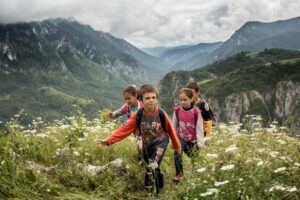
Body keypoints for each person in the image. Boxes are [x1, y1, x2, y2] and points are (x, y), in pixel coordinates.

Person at [97, 85, 181, 193]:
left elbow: (170, 130)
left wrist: (177, 145)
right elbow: (124, 129)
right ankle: (159, 180)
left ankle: (152, 192)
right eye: (147, 98)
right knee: (149, 165)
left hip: (161, 142)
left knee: (153, 166)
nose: (151, 100)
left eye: (153, 97)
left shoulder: (161, 114)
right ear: (141, 100)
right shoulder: (138, 115)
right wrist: (108, 140)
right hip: (146, 144)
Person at [172, 88, 204, 181]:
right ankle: (179, 174)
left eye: (185, 99)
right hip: (181, 137)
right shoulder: (177, 111)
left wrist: (200, 143)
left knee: (195, 157)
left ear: (191, 99)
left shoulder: (196, 112)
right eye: (181, 100)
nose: (182, 102)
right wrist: (173, 140)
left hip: (193, 139)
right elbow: (173, 126)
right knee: (177, 153)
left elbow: (199, 128)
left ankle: (195, 175)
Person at [106, 85, 144, 160]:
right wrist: (112, 114)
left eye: (129, 98)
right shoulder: (126, 107)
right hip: (137, 132)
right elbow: (118, 112)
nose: (127, 101)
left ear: (136, 96)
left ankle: (149, 161)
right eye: (125, 99)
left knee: (148, 146)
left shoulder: (143, 105)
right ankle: (142, 163)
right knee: (140, 147)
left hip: (146, 129)